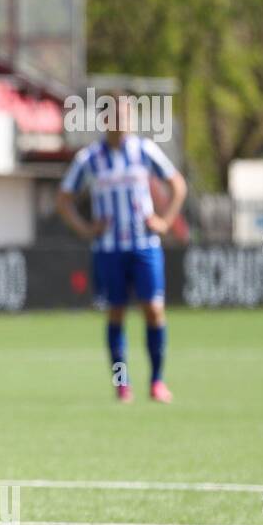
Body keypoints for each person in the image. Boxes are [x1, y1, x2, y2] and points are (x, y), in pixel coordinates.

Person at [56, 93, 187, 402]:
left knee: (154, 310)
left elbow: (177, 185)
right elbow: (63, 200)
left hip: (144, 246)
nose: (122, 121)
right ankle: (122, 382)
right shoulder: (89, 159)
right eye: (116, 115)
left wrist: (165, 222)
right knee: (116, 312)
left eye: (126, 115)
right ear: (104, 120)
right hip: (109, 250)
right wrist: (86, 229)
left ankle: (157, 381)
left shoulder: (144, 151)